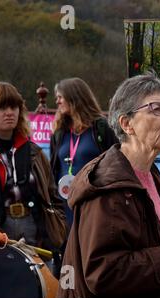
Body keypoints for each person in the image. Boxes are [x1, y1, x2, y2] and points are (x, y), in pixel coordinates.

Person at [57, 72, 160, 298]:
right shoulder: (110, 187)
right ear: (127, 124)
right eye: (156, 108)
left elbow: (152, 248)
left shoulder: (150, 175)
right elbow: (104, 274)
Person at [0, 81, 66, 252]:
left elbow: (53, 196)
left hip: (35, 228)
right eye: (1, 107)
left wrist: (57, 226)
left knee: (40, 277)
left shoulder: (34, 152)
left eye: (14, 107)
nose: (9, 113)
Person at [50, 77, 118, 227]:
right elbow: (53, 170)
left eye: (60, 97)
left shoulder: (101, 128)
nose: (57, 101)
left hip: (95, 204)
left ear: (74, 97)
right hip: (65, 206)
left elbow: (117, 164)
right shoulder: (59, 132)